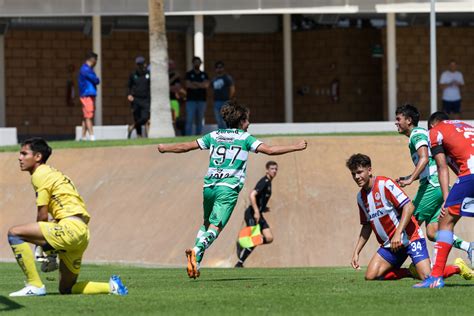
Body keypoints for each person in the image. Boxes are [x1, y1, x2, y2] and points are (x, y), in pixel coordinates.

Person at [157, 101, 307, 278]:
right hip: (228, 188)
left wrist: (165, 148)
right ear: (242, 120)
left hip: (209, 187)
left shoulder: (214, 135)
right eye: (247, 120)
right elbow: (270, 151)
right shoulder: (245, 138)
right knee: (216, 226)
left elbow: (186, 146)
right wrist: (296, 147)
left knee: (207, 223)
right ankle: (196, 250)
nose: (249, 123)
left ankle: (195, 263)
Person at [7, 138, 128, 296]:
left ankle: (35, 285)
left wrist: (43, 247)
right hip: (81, 233)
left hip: (69, 229)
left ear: (38, 157)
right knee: (67, 289)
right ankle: (112, 287)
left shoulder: (40, 174)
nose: (20, 157)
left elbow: (42, 216)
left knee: (14, 233)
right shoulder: (54, 173)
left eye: (24, 153)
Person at [347, 153, 471, 282]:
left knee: (428, 277)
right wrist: (357, 252)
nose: (357, 177)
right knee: (371, 276)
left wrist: (398, 234)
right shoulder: (360, 198)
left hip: (411, 239)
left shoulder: (385, 184)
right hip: (390, 245)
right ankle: (410, 272)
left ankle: (458, 267)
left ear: (369, 170)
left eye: (360, 172)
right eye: (353, 174)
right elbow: (367, 225)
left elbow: (409, 207)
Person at [394, 104, 473, 265]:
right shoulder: (421, 135)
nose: (396, 122)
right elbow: (429, 164)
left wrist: (409, 180)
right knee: (433, 231)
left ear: (409, 120)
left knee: (409, 222)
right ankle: (469, 247)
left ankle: (419, 263)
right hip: (438, 186)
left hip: (433, 186)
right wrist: (410, 176)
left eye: (398, 119)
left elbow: (424, 158)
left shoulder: (417, 134)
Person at [414, 112, 474, 288]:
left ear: (432, 125)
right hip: (469, 174)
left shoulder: (435, 131)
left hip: (470, 174)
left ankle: (436, 277)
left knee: (445, 222)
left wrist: (447, 201)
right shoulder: (465, 126)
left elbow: (442, 167)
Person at [235, 161, 278, 268]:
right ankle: (239, 263)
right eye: (272, 169)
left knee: (269, 238)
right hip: (251, 213)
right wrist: (257, 211)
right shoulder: (264, 181)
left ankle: (242, 243)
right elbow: (252, 195)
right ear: (267, 170)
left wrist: (263, 208)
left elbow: (259, 199)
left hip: (258, 213)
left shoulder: (269, 182)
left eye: (276, 169)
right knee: (255, 238)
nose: (274, 171)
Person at [185, 56, 209, 135]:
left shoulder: (204, 74)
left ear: (200, 63)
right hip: (190, 100)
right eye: (195, 62)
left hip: (202, 100)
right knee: (190, 119)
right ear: (193, 63)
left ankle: (199, 136)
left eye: (198, 62)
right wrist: (200, 84)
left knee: (200, 119)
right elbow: (188, 85)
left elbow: (206, 85)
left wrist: (194, 83)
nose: (197, 64)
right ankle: (188, 136)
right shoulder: (189, 74)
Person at [78, 52, 100, 141]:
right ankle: (92, 136)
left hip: (87, 94)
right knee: (89, 116)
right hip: (87, 94)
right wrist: (96, 79)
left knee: (86, 115)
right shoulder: (86, 69)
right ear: (92, 60)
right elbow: (96, 80)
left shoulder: (87, 69)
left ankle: (83, 136)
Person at [127, 56, 151, 138]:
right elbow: (129, 86)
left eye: (141, 64)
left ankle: (132, 126)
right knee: (136, 117)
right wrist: (129, 94)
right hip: (136, 99)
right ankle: (139, 136)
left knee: (145, 118)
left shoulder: (148, 74)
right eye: (138, 65)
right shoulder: (133, 74)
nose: (140, 66)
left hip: (145, 99)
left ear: (144, 64)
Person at [211, 61, 235, 129]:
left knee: (225, 120)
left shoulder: (227, 78)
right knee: (218, 120)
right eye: (217, 67)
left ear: (223, 68)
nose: (219, 69)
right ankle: (221, 136)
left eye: (221, 67)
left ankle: (227, 135)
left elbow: (232, 89)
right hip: (216, 102)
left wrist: (228, 99)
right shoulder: (214, 79)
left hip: (225, 101)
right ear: (215, 69)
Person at [169, 59, 186, 135]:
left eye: (172, 64)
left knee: (176, 119)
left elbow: (177, 88)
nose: (171, 66)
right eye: (169, 64)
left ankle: (176, 134)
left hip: (174, 101)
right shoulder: (164, 74)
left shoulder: (176, 76)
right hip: (166, 101)